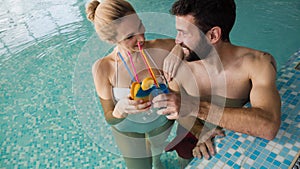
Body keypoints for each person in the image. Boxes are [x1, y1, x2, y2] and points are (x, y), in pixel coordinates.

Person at [153, 0, 281, 161]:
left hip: (236, 135)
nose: (177, 41)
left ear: (213, 35)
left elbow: (268, 127)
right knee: (184, 160)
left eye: (183, 33)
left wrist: (194, 106)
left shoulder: (257, 64)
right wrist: (201, 132)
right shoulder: (178, 68)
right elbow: (178, 110)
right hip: (192, 132)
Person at [85, 0, 208, 168]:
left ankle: (157, 161)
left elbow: (201, 43)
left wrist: (179, 50)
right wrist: (119, 110)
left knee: (157, 149)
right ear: (111, 39)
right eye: (129, 37)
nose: (141, 38)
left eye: (140, 26)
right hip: (128, 128)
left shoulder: (162, 47)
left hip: (161, 121)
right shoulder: (103, 68)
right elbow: (110, 118)